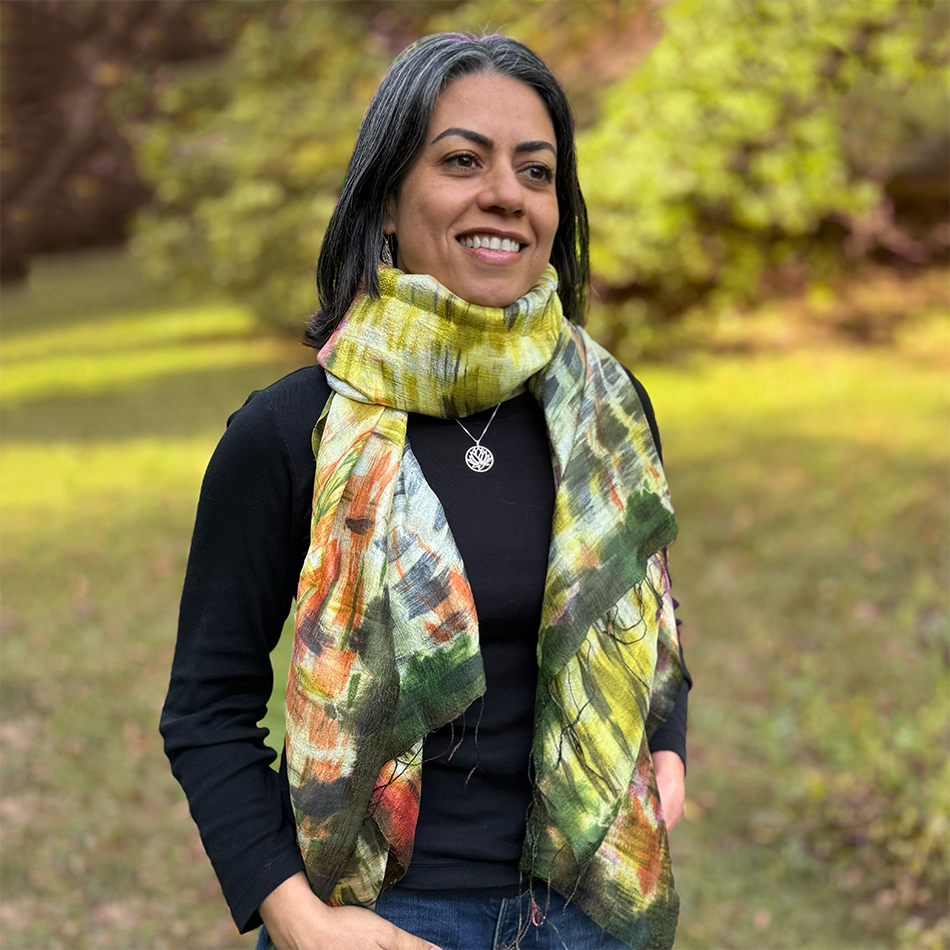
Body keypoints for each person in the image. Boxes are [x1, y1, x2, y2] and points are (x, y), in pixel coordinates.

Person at [161, 32, 690, 950]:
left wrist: (667, 740)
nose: (506, 195)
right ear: (388, 203)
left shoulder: (607, 410)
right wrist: (300, 919)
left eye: (536, 171)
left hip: (588, 904)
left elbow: (644, 613)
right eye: (461, 162)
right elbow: (206, 708)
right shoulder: (292, 432)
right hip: (385, 916)